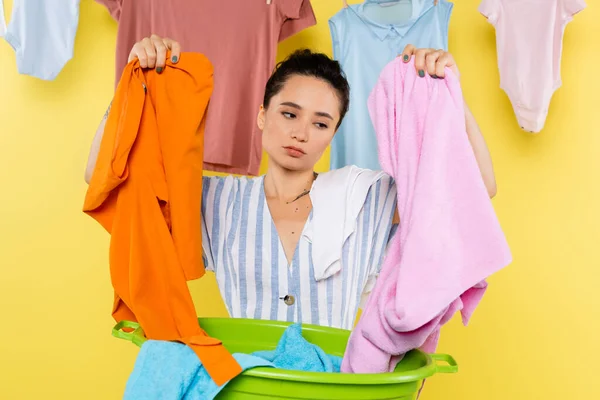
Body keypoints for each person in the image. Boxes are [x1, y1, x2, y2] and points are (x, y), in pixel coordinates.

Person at [85, 35, 497, 331]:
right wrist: (133, 83)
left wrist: (449, 95)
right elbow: (106, 179)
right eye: (288, 114)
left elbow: (477, 189)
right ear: (263, 115)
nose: (301, 133)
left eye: (321, 123)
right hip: (248, 388)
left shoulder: (365, 197)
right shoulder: (217, 199)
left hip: (335, 390)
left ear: (332, 134)